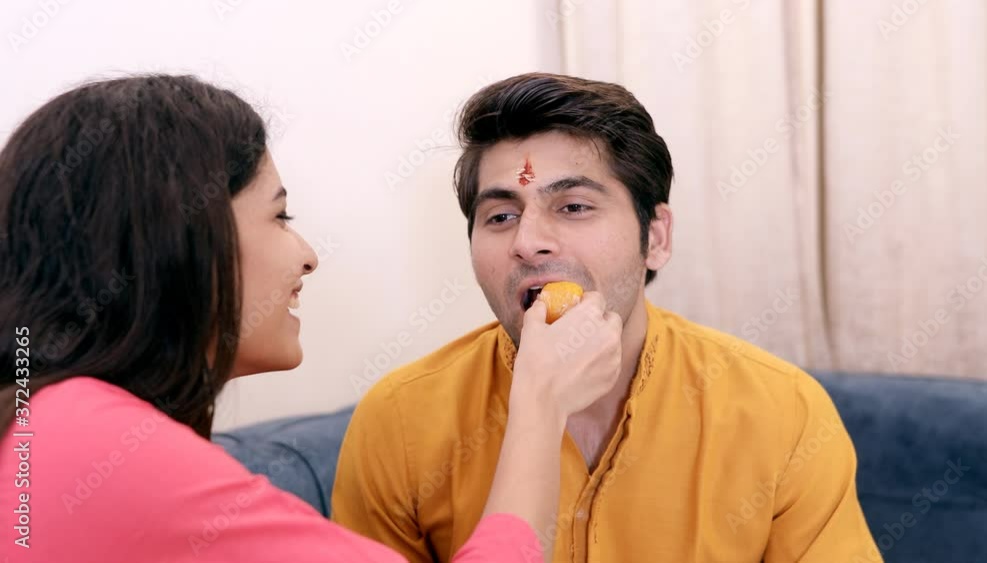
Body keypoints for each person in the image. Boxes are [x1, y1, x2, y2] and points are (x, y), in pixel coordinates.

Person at [0, 74, 620, 562]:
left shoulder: (51, 424)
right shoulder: (93, 446)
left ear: (659, 236)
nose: (307, 256)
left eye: (573, 206)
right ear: (179, 240)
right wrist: (539, 408)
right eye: (280, 217)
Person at [332, 72, 883, 563]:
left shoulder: (781, 412)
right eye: (500, 216)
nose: (528, 243)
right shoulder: (399, 423)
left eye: (573, 207)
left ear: (656, 237)